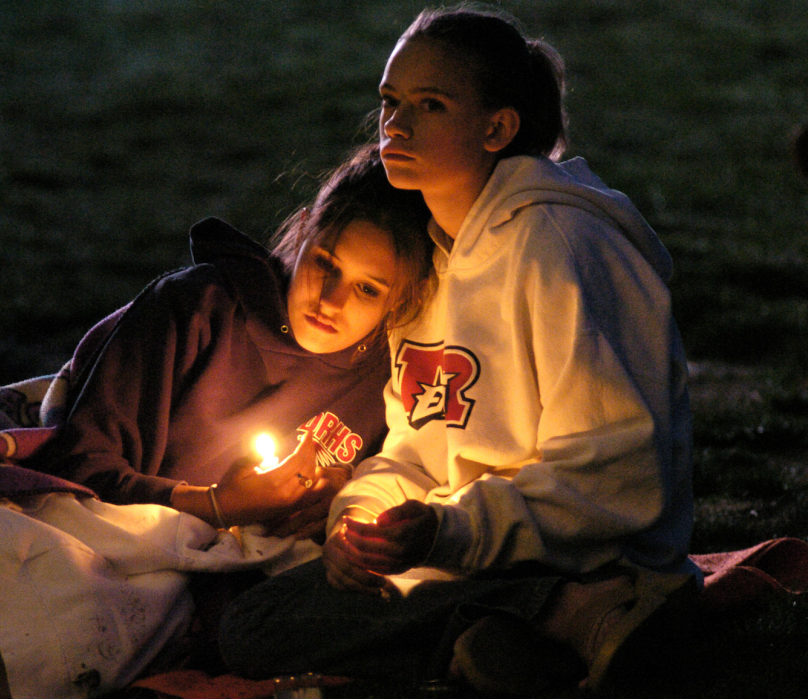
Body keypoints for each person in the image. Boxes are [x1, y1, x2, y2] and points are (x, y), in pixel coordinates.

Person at [0, 144, 435, 699]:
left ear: (397, 301)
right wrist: (219, 503)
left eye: (367, 289)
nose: (331, 299)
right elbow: (79, 463)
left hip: (170, 587)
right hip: (78, 515)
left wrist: (323, 511)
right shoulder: (201, 308)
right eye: (324, 263)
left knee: (53, 638)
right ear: (302, 234)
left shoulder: (381, 384)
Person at [219, 7, 698, 696]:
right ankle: (528, 640)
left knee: (287, 626)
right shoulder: (425, 259)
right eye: (389, 102)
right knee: (252, 625)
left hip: (583, 554)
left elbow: (617, 475)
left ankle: (590, 612)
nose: (396, 126)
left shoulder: (558, 247)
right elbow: (415, 444)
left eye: (430, 105)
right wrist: (361, 522)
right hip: (468, 551)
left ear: (497, 127)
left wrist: (449, 531)